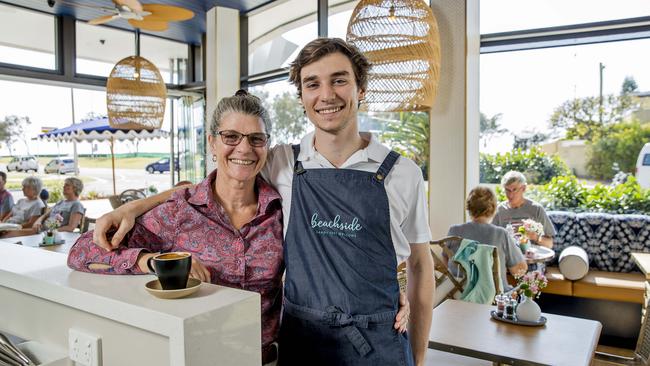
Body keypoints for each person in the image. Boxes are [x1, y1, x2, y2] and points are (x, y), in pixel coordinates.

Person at [91, 38, 433, 366]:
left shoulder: (402, 174)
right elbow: (215, 182)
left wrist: (418, 357)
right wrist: (131, 208)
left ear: (361, 89)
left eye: (339, 80)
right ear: (302, 97)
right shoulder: (283, 162)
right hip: (303, 343)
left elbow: (419, 266)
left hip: (378, 342)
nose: (326, 95)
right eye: (312, 84)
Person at [68, 91, 284, 365]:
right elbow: (82, 251)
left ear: (266, 146)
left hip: (266, 358)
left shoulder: (280, 210)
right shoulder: (180, 211)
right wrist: (158, 261)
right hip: (196, 355)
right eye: (231, 137)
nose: (244, 148)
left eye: (256, 138)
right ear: (212, 143)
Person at [447, 186, 527, 290]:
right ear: (493, 208)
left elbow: (446, 259)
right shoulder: (501, 234)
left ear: (468, 207)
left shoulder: (454, 230)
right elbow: (519, 271)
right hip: (493, 296)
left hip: (458, 293)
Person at [492, 171, 556, 249]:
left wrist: (535, 237)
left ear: (524, 188)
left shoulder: (536, 209)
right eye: (507, 190)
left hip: (532, 257)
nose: (510, 195)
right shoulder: (499, 210)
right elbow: (492, 239)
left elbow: (550, 244)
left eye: (514, 190)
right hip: (508, 257)